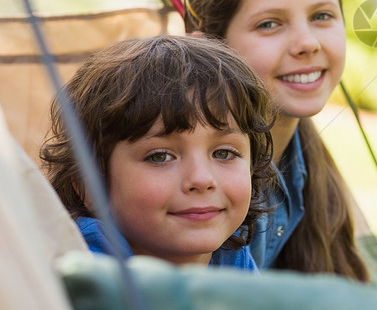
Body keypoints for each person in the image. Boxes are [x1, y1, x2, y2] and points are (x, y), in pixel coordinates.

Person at [183, 0, 369, 281]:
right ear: (206, 45)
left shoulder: (305, 163)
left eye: (322, 16)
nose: (307, 43)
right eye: (269, 23)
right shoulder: (197, 181)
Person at [40, 35, 276, 270]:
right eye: (160, 157)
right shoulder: (86, 273)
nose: (202, 180)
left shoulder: (231, 258)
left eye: (224, 153)